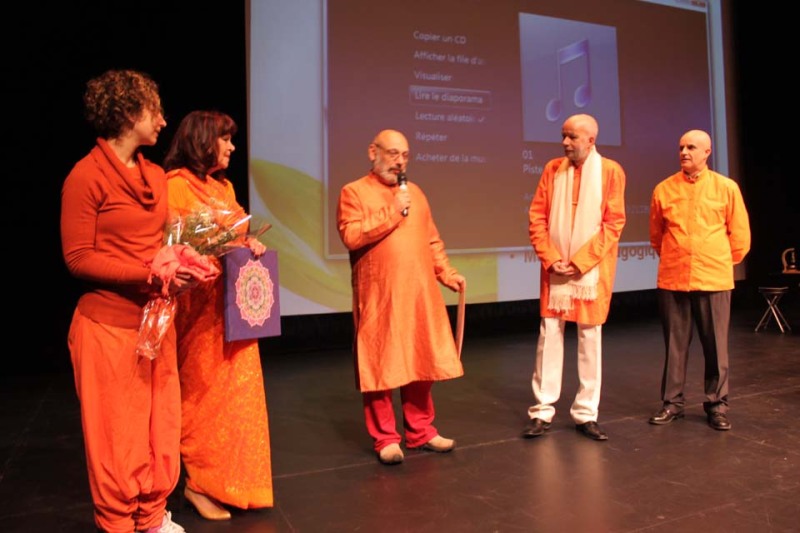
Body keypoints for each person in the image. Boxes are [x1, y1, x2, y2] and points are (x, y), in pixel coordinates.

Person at [60, 69, 193, 533]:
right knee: (117, 436)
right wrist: (148, 274)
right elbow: (78, 258)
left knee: (161, 425)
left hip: (156, 320)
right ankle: (118, 523)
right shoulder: (86, 176)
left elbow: (160, 243)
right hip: (107, 326)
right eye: (155, 110)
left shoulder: (155, 175)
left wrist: (184, 262)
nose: (163, 120)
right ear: (129, 113)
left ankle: (151, 517)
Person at [162, 110, 273, 519]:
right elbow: (171, 246)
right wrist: (210, 250)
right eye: (225, 139)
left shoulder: (224, 188)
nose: (232, 147)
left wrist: (249, 244)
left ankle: (237, 483)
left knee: (239, 399)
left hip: (232, 309)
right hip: (196, 311)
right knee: (202, 397)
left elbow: (237, 234)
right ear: (203, 139)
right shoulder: (174, 186)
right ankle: (199, 484)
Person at [336, 129, 466, 465]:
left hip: (419, 293)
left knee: (422, 361)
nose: (400, 162)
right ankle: (386, 439)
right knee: (380, 367)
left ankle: (421, 431)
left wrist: (446, 272)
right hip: (380, 296)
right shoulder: (354, 192)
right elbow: (351, 235)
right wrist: (392, 211)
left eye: (405, 155)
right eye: (393, 153)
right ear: (373, 152)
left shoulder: (416, 193)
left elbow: (432, 240)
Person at [523, 114, 626, 441]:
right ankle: (542, 410)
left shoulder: (610, 171)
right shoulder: (553, 169)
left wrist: (580, 262)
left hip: (590, 271)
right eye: (563, 136)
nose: (565, 143)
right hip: (555, 269)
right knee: (549, 334)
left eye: (572, 137)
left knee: (589, 337)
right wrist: (552, 258)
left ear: (591, 140)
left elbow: (613, 224)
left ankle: (586, 413)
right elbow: (537, 217)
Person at [648, 129, 751, 431]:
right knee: (674, 346)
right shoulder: (664, 189)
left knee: (716, 346)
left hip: (713, 277)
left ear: (707, 152)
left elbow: (740, 236)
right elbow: (656, 235)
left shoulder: (726, 187)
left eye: (691, 147)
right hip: (674, 277)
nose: (684, 152)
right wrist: (675, 256)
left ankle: (717, 405)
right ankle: (672, 404)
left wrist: (718, 261)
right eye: (681, 147)